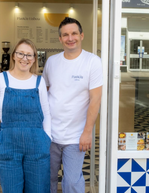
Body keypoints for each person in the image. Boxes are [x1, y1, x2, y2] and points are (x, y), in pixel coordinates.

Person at [42, 17, 102, 193]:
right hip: (50, 134)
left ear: (81, 35)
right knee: (48, 178)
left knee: (72, 182)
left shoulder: (92, 62)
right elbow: (44, 95)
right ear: (60, 39)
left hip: (76, 137)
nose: (70, 38)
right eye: (65, 35)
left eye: (74, 33)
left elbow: (95, 99)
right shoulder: (52, 62)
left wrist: (87, 132)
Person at [0, 39, 52, 193]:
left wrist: (47, 137)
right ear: (14, 56)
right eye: (21, 53)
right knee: (12, 189)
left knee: (38, 189)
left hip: (37, 145)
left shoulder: (39, 82)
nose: (25, 58)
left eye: (29, 55)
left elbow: (47, 113)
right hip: (8, 144)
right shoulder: (1, 80)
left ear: (34, 59)